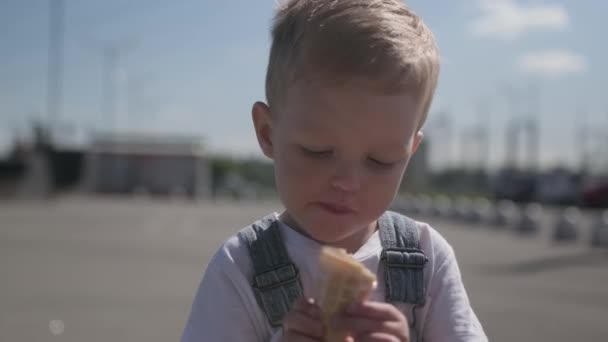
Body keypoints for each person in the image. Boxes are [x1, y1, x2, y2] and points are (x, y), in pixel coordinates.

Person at [181, 0, 487, 341]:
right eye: (318, 152)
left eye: (381, 161)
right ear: (268, 133)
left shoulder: (427, 259)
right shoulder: (240, 267)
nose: (348, 182)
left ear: (410, 153)